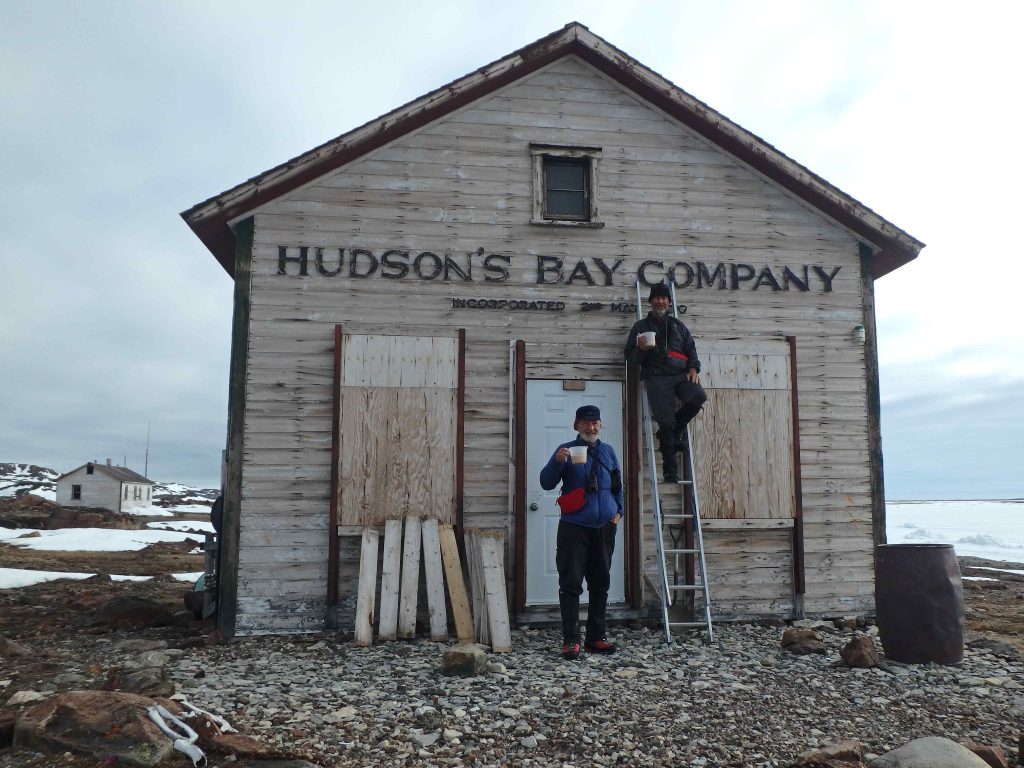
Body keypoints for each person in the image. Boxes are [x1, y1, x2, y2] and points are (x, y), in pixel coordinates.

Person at [539, 404, 624, 660]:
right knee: (571, 583)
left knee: (600, 583)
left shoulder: (608, 451)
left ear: (600, 424)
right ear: (576, 425)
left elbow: (618, 485)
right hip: (574, 527)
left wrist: (619, 512)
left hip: (605, 527)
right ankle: (571, 641)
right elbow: (546, 483)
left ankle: (596, 638)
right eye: (586, 423)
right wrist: (556, 462)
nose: (592, 427)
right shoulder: (566, 450)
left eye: (595, 422)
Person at [625, 282, 707, 483]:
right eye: (657, 298)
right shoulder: (641, 327)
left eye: (664, 298)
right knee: (666, 419)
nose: (660, 302)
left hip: (680, 375)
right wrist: (641, 350)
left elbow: (691, 350)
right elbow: (630, 358)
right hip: (657, 376)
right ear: (651, 301)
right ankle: (670, 469)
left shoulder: (679, 326)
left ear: (669, 303)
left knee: (698, 396)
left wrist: (693, 368)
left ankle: (673, 430)